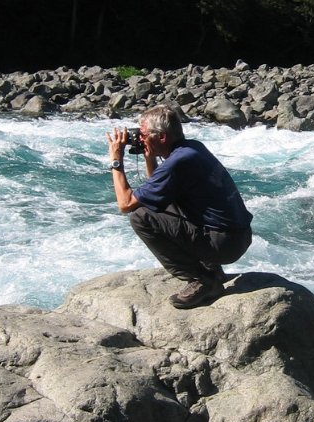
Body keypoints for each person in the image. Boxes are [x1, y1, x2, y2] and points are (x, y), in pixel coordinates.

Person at [106, 104, 252, 309]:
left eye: (144, 134)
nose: (139, 138)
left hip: (224, 244)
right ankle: (213, 270)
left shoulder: (178, 162)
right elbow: (158, 191)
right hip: (237, 237)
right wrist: (150, 156)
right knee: (160, 203)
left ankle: (202, 280)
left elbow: (125, 204)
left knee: (140, 216)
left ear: (162, 137)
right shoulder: (192, 148)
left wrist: (116, 160)